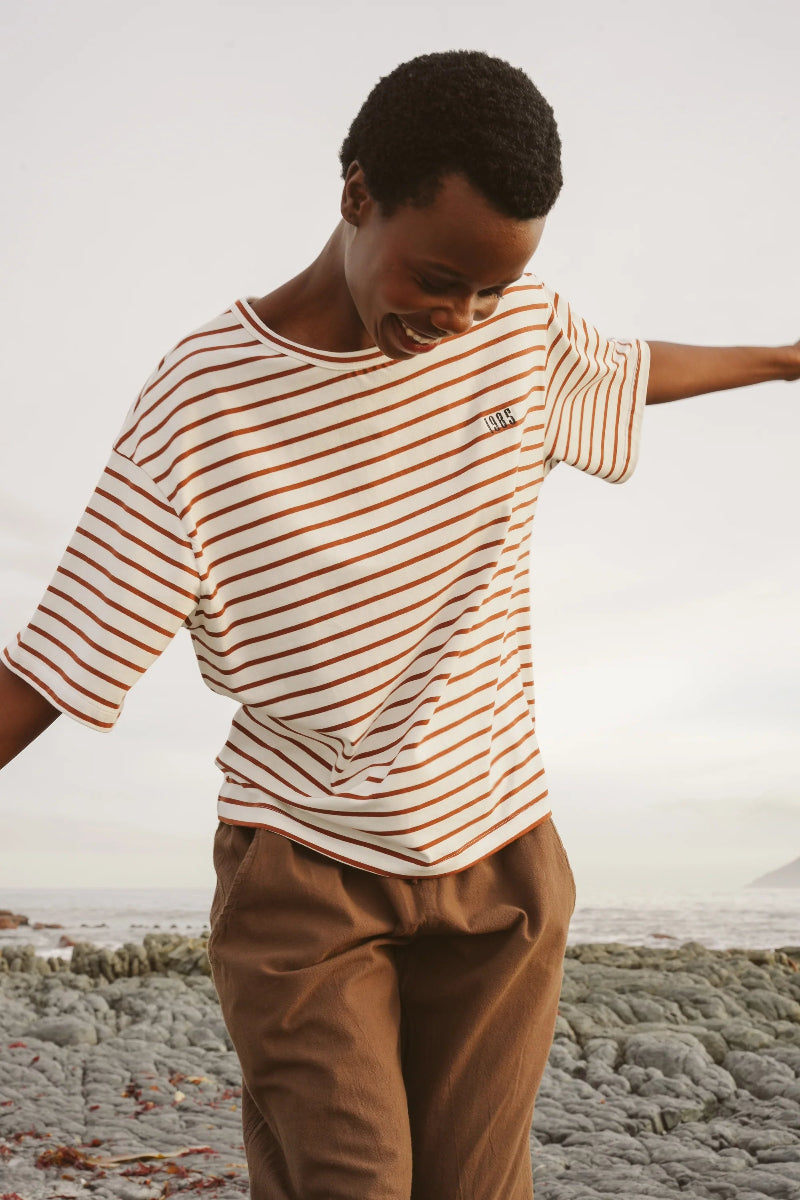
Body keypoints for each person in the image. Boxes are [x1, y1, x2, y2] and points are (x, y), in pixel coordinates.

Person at [1, 49, 797, 1200]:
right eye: (437, 278)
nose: (458, 318)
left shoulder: (513, 333)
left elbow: (627, 367)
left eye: (487, 289)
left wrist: (784, 363)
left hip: (500, 854)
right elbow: (54, 659)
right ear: (355, 194)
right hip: (305, 873)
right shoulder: (205, 400)